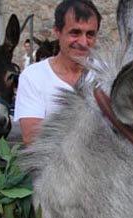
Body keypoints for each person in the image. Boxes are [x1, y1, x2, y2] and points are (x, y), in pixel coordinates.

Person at [14, 0, 101, 145]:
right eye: (75, 32)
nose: (83, 42)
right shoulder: (33, 76)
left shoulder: (107, 75)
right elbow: (32, 139)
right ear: (57, 31)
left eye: (90, 34)